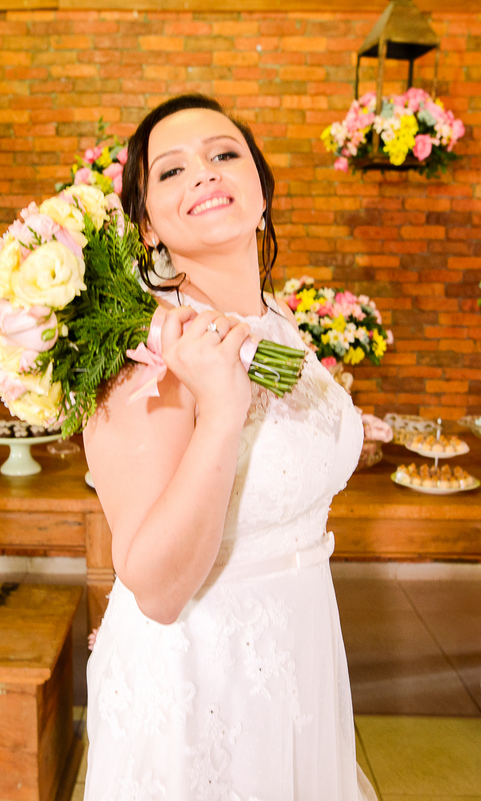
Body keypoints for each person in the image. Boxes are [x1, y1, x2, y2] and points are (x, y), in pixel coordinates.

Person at [82, 93, 378, 800]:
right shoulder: (145, 352)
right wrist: (219, 412)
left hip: (296, 642)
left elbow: (285, 416)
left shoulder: (267, 316)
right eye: (172, 171)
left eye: (223, 154)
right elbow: (154, 585)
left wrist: (353, 429)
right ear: (147, 226)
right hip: (203, 672)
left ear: (263, 193)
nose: (205, 175)